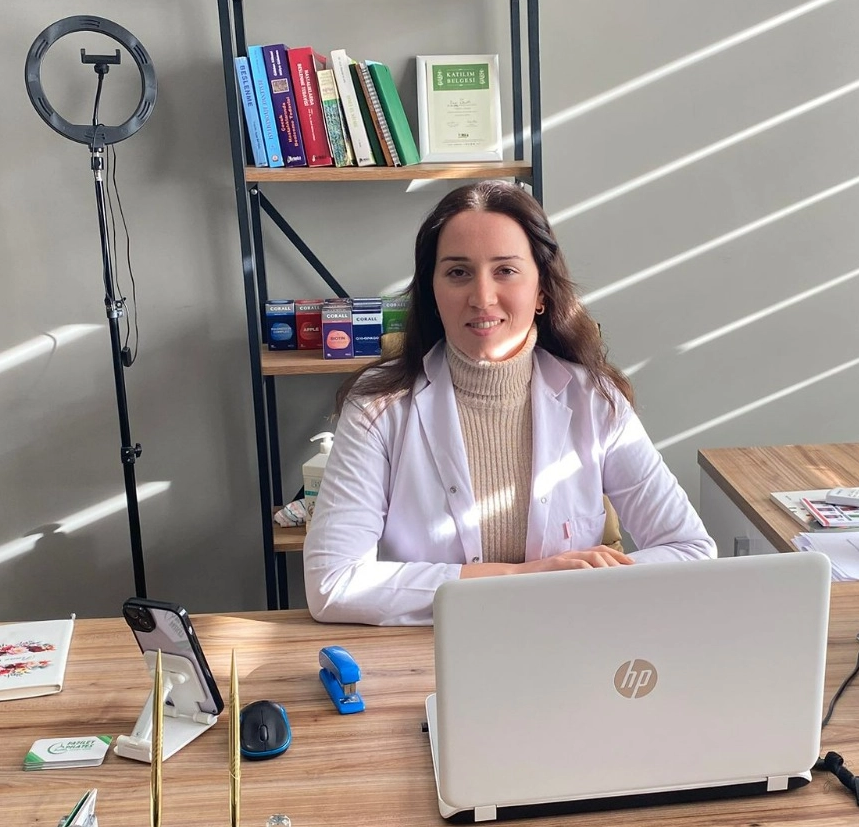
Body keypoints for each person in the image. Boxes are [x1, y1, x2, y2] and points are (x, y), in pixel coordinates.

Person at [304, 181, 714, 625]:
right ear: (433, 293)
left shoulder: (595, 399)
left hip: (572, 639)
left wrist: (587, 582)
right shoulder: (377, 407)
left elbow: (691, 549)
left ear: (541, 291)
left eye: (505, 270)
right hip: (432, 649)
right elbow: (332, 583)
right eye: (458, 272)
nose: (482, 297)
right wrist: (521, 579)